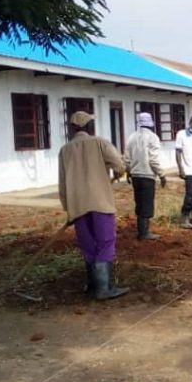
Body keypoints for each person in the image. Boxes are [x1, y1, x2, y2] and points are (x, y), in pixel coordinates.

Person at [58, 111, 128, 300]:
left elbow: (62, 184)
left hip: (78, 205)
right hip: (100, 202)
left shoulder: (64, 150)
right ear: (89, 126)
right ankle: (104, 288)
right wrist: (119, 172)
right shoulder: (100, 143)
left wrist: (68, 209)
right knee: (105, 242)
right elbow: (119, 165)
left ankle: (92, 285)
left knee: (87, 244)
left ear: (73, 129)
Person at [124, 112, 167, 241]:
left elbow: (127, 158)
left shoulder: (131, 137)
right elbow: (153, 160)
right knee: (147, 204)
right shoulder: (153, 137)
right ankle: (144, 233)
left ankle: (142, 230)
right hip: (147, 175)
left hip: (135, 175)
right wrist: (162, 175)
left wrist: (128, 172)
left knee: (139, 203)